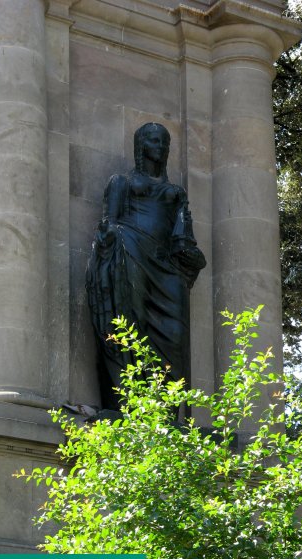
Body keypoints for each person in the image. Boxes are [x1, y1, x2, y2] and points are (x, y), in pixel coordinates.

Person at [86, 122, 206, 410]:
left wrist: (191, 256)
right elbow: (109, 224)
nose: (160, 147)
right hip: (130, 257)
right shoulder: (121, 182)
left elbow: (183, 237)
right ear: (141, 145)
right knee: (130, 326)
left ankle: (166, 411)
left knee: (175, 335)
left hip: (166, 269)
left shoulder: (176, 192)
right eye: (153, 141)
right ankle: (127, 402)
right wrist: (111, 238)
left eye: (164, 142)